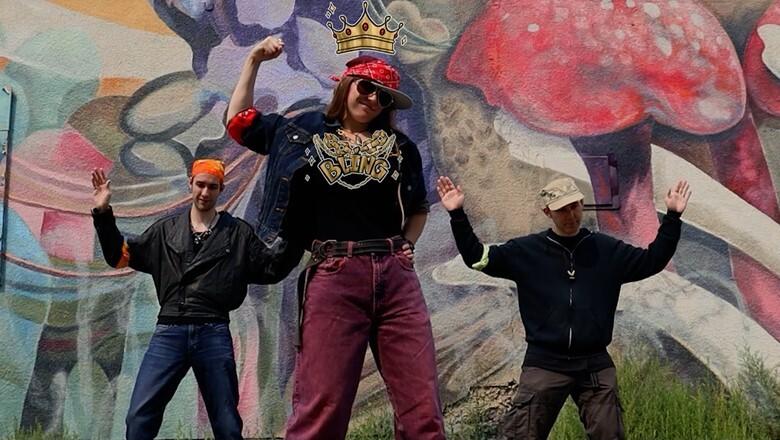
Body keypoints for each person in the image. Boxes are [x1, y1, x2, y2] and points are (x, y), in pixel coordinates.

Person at [224, 36, 445, 439]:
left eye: (384, 97)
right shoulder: (301, 129)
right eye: (367, 87)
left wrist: (407, 245)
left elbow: (418, 207)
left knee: (422, 408)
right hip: (335, 274)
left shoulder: (401, 148)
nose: (374, 99)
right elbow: (239, 123)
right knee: (321, 406)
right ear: (345, 86)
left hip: (396, 276)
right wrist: (254, 59)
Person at [436, 175, 691, 440]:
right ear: (548, 212)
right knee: (519, 436)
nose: (570, 215)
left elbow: (652, 260)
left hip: (594, 364)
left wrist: (672, 217)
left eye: (574, 206)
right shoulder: (527, 251)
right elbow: (477, 258)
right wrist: (457, 214)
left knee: (610, 433)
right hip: (545, 362)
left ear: (582, 203)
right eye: (561, 209)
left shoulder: (606, 250)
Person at [91, 159, 275, 440]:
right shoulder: (165, 231)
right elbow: (119, 256)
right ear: (190, 184)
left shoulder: (237, 233)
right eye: (200, 184)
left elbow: (271, 267)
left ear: (220, 189)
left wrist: (300, 231)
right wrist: (103, 212)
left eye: (212, 186)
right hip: (169, 332)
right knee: (139, 417)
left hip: (213, 331)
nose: (205, 192)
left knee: (226, 422)